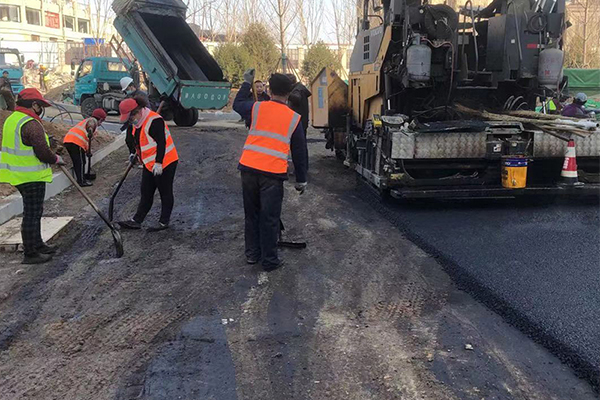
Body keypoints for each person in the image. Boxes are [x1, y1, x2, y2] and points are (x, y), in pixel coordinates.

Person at [233, 70, 308, 272]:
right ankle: (269, 260)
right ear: (289, 93)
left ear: (270, 89)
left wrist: (246, 83)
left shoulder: (257, 108)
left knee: (252, 214)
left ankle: (252, 254)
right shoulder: (294, 118)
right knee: (269, 218)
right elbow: (299, 151)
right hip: (272, 175)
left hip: (248, 168)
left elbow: (237, 104)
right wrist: (301, 179)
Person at [0, 88, 66, 264]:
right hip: (30, 176)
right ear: (34, 105)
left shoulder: (12, 119)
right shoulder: (30, 123)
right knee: (32, 213)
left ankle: (38, 245)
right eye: (40, 105)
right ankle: (30, 253)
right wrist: (56, 158)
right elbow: (42, 152)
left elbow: (24, 143)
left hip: (18, 174)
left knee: (34, 211)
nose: (41, 109)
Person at [118, 95, 179, 232]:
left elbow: (162, 143)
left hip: (166, 161)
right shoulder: (137, 123)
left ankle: (164, 222)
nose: (130, 121)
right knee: (146, 192)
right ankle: (137, 220)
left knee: (165, 192)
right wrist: (133, 154)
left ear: (137, 111)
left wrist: (159, 163)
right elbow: (136, 141)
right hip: (149, 163)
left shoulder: (155, 121)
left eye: (131, 118)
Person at [63, 108, 107, 187]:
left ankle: (81, 178)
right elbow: (90, 125)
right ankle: (81, 181)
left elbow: (86, 141)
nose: (101, 123)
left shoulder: (85, 121)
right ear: (100, 119)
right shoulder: (92, 121)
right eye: (102, 121)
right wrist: (90, 130)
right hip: (76, 142)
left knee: (80, 161)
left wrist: (88, 151)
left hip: (69, 141)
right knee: (80, 163)